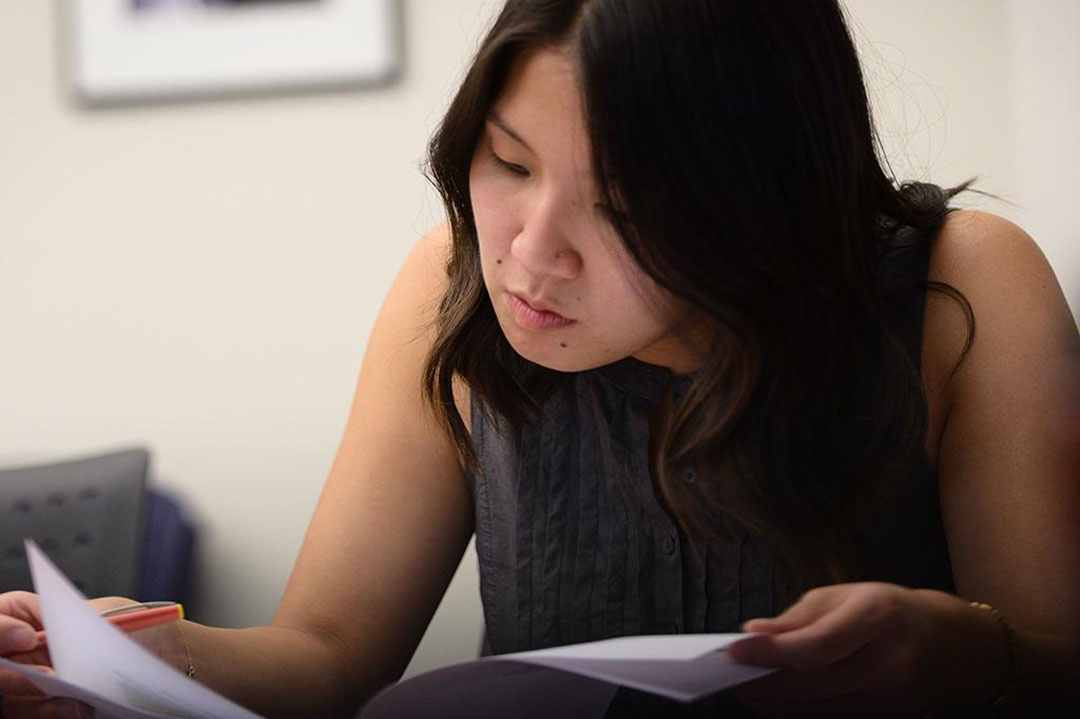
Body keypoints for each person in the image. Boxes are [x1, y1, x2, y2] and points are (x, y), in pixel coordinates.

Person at [3, 0, 1079, 716]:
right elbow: (327, 654)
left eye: (622, 205)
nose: (528, 251)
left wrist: (965, 652)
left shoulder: (961, 288)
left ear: (763, 201)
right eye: (509, 160)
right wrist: (142, 657)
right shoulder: (454, 281)